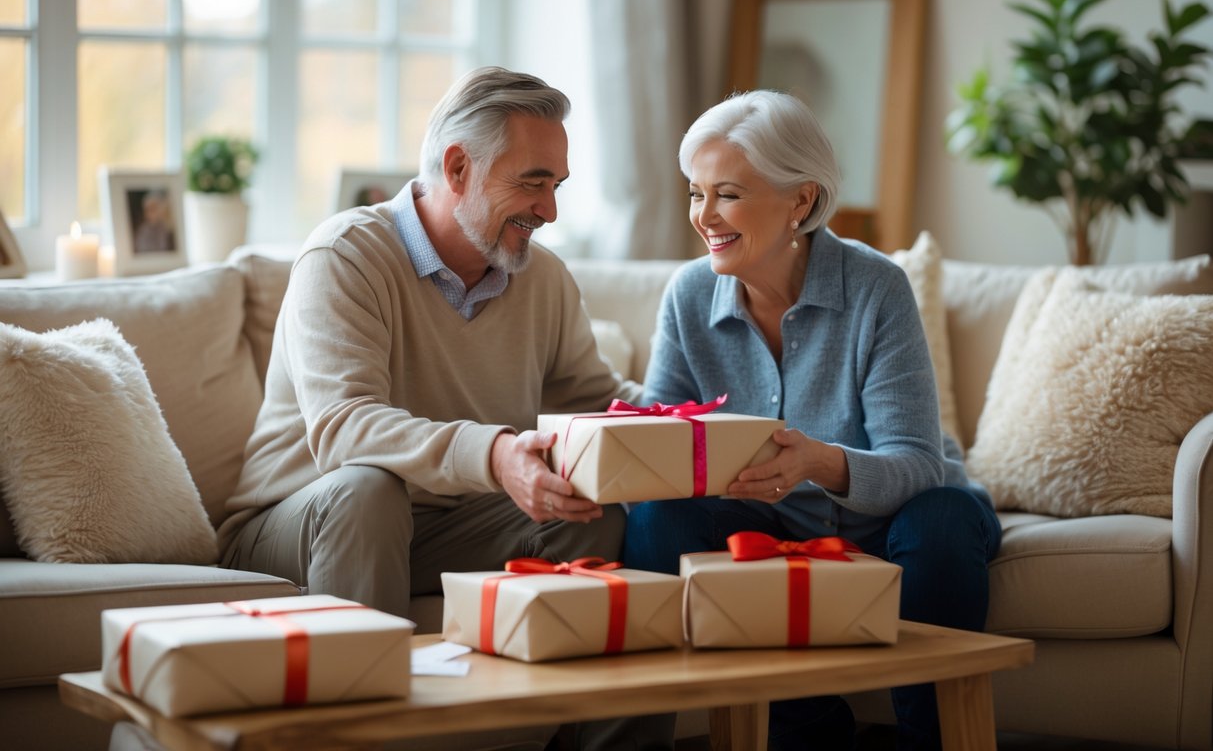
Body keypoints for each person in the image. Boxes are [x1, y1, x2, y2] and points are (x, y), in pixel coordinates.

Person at [218, 67, 673, 750]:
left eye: (556, 185)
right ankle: (362, 736)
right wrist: (493, 454)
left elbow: (593, 395)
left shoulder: (541, 277)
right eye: (533, 181)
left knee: (590, 512)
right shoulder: (345, 256)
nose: (549, 210)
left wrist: (698, 425)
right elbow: (343, 430)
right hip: (303, 526)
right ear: (458, 167)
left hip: (444, 527)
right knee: (367, 490)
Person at [622, 90, 1001, 751]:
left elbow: (916, 462)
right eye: (694, 193)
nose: (704, 216)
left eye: (727, 194)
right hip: (767, 529)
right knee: (658, 519)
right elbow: (663, 435)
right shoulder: (687, 294)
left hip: (893, 521)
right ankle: (806, 729)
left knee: (941, 515)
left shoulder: (875, 286)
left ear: (800, 199)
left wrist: (817, 461)